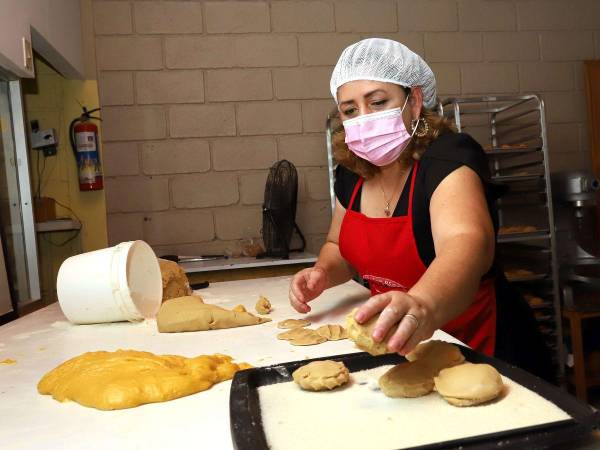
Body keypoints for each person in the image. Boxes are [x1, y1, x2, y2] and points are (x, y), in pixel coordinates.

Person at [289, 38, 554, 381]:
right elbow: (338, 246)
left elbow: (465, 243)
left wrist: (422, 305)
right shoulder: (352, 172)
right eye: (350, 110)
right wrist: (323, 273)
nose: (364, 119)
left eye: (378, 102)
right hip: (397, 345)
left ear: (414, 102)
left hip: (480, 347)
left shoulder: (447, 158)